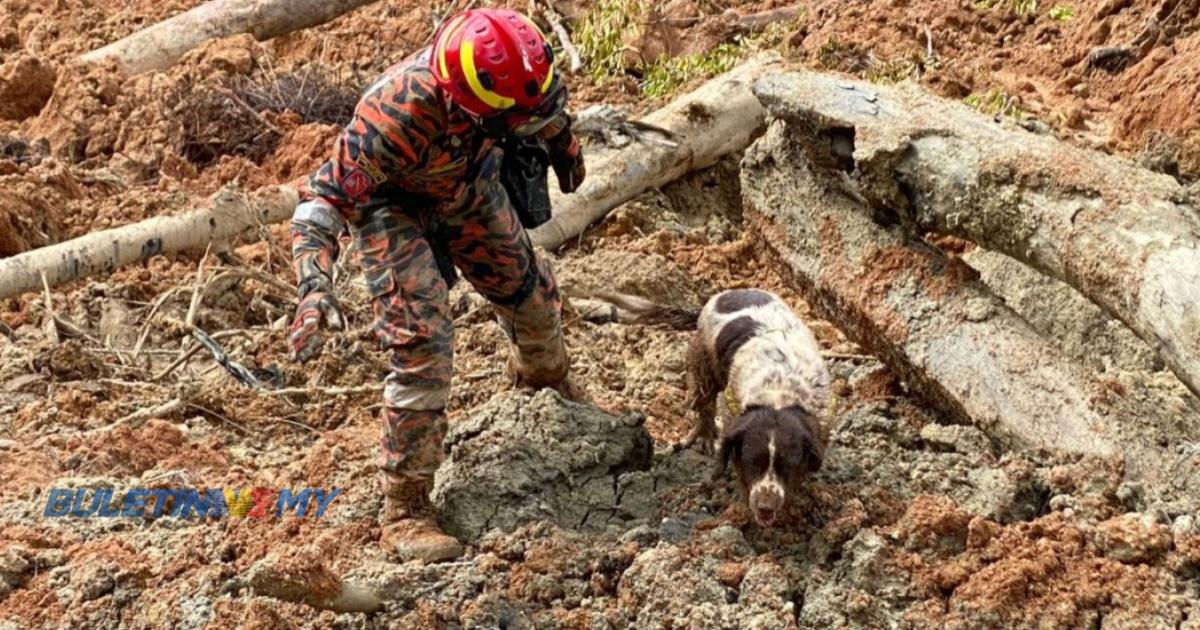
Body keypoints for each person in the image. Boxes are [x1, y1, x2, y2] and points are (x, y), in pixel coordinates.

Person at [287, 8, 586, 562]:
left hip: (469, 186)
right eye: (513, 121)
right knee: (421, 342)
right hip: (391, 207)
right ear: (469, 106)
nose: (528, 121)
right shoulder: (393, 115)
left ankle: (547, 389)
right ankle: (406, 506)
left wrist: (564, 147)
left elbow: (544, 112)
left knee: (532, 296)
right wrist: (313, 288)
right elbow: (323, 204)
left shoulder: (521, 77)